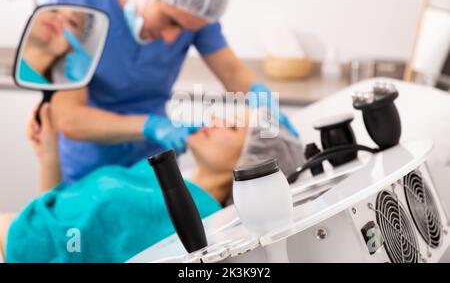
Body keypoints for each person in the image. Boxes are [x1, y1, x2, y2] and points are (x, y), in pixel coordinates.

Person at [43, 0, 299, 184]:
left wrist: (263, 100)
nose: (171, 38)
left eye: (185, 29)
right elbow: (70, 118)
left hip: (156, 165)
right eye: (171, 21)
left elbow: (232, 71)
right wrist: (151, 125)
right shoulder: (75, 4)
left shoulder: (192, 10)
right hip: (91, 168)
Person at [1, 104, 303, 262]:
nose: (216, 119)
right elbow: (62, 225)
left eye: (234, 127)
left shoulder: (194, 221)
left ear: (250, 164)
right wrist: (49, 157)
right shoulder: (166, 177)